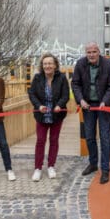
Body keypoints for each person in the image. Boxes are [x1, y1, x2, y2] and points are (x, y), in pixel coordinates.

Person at [71, 42, 110, 184]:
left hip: (104, 105)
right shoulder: (80, 64)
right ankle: (93, 164)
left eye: (94, 51)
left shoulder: (109, 65)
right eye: (88, 52)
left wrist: (105, 101)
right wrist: (80, 100)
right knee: (90, 136)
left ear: (99, 52)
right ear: (86, 53)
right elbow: (75, 84)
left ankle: (105, 169)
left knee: (104, 137)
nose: (91, 54)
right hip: (88, 106)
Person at [28, 53, 70, 181]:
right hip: (42, 114)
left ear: (55, 65)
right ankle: (38, 168)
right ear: (42, 65)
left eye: (50, 63)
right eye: (45, 63)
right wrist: (38, 105)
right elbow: (32, 94)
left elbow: (65, 95)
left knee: (54, 140)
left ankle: (51, 166)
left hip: (56, 114)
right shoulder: (37, 78)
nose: (48, 66)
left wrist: (59, 105)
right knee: (40, 140)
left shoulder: (62, 78)